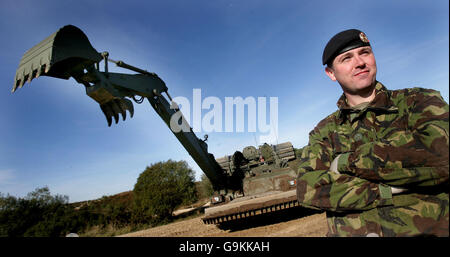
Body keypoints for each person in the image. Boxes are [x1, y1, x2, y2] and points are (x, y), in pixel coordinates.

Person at [296, 29, 449, 237]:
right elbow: (308, 188)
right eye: (346, 58)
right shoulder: (325, 131)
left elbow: (443, 157)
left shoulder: (418, 102)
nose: (360, 62)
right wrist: (385, 190)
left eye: (365, 52)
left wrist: (345, 163)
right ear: (331, 73)